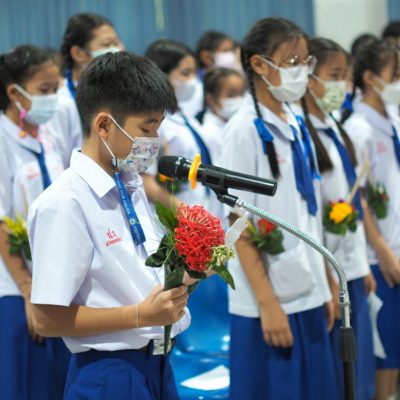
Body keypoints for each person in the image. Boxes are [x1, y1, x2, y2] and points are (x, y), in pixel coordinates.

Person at [27, 51, 191, 400]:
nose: (154, 140)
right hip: (111, 374)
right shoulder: (65, 203)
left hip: (158, 365)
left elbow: (135, 280)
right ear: (104, 125)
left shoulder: (130, 182)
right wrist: (138, 315)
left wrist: (189, 275)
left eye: (158, 128)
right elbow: (45, 319)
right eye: (146, 128)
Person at [218, 17, 336, 400]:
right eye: (291, 61)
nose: (301, 71)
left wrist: (327, 282)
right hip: (267, 304)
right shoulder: (243, 131)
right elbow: (238, 224)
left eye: (305, 61)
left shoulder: (296, 120)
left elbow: (307, 215)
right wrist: (268, 304)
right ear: (259, 65)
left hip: (309, 290)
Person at [301, 37, 376, 400]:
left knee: (361, 372)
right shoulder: (304, 135)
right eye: (334, 75)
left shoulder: (334, 128)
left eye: (345, 76)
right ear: (309, 78)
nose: (341, 85)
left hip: (352, 266)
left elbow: (353, 201)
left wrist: (363, 265)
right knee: (339, 376)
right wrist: (329, 280)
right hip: (331, 274)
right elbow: (310, 217)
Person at [0, 44, 70, 400]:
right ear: (15, 93)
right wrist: (29, 291)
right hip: (17, 287)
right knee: (25, 384)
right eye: (44, 90)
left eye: (56, 88)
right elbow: (1, 223)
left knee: (56, 383)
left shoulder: (49, 138)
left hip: (56, 282)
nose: (53, 98)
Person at [344, 39, 400, 400]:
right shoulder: (358, 129)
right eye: (395, 74)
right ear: (370, 78)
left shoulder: (393, 119)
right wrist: (381, 248)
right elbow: (357, 196)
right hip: (381, 256)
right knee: (385, 349)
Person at [51, 13, 124, 166]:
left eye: (116, 43)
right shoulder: (60, 103)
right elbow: (59, 163)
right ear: (78, 53)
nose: (115, 50)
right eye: (106, 45)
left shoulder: (120, 93)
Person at [145, 39, 212, 208]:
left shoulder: (185, 116)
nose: (193, 80)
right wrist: (187, 213)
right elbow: (145, 181)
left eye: (194, 73)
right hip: (178, 216)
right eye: (185, 73)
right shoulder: (149, 121)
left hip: (204, 208)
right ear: (162, 75)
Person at [196, 67, 245, 165]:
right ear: (211, 99)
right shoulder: (209, 133)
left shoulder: (240, 123)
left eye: (241, 94)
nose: (239, 99)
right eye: (231, 95)